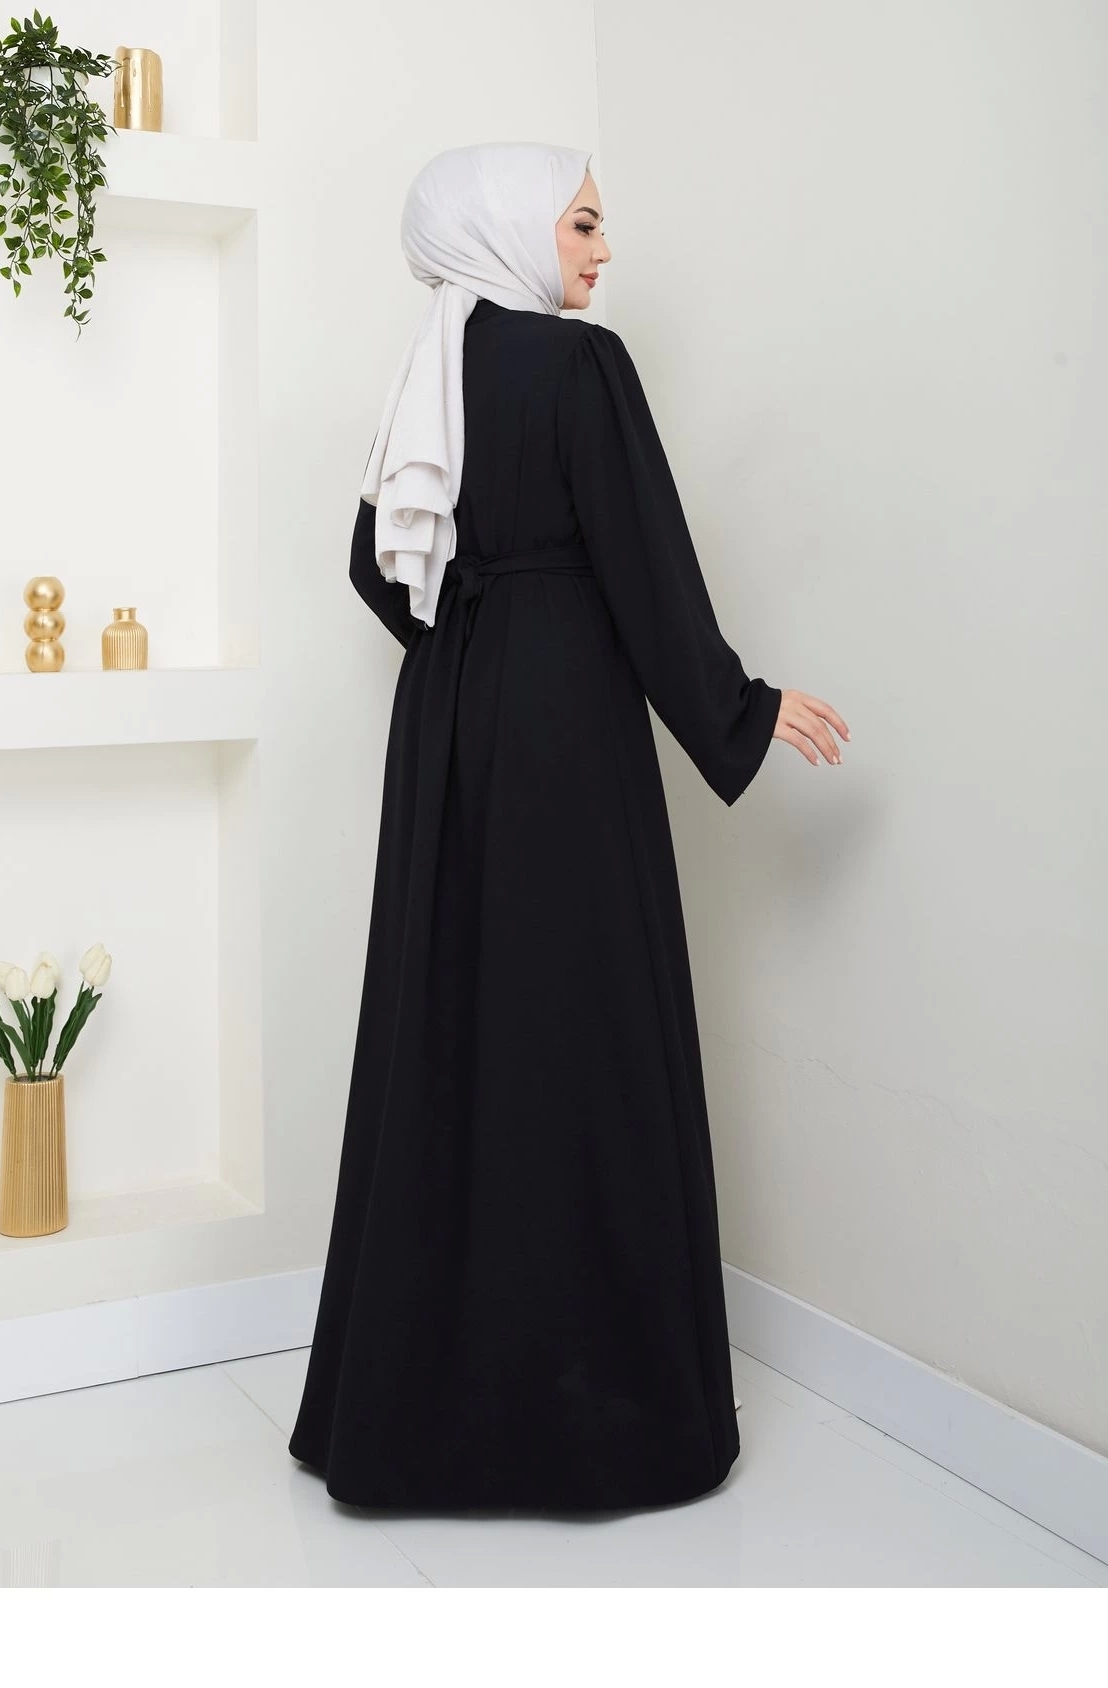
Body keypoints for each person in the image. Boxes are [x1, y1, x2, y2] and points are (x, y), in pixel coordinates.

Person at [289, 142, 849, 1512]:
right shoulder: (578, 367)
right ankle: (596, 1419)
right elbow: (647, 565)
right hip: (564, 730)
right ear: (509, 228)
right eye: (583, 223)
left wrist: (472, 644)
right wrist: (741, 706)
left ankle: (413, 1419)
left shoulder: (428, 374)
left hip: (447, 723)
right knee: (584, 1026)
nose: (602, 251)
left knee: (450, 1028)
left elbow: (375, 565)